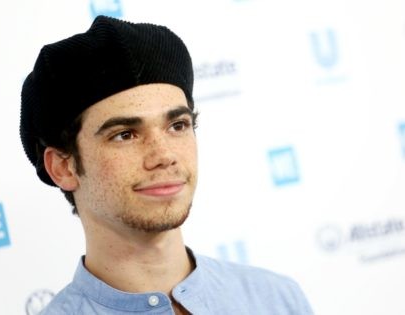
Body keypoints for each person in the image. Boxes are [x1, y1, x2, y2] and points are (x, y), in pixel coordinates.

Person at [20, 15, 314, 315]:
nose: (164, 155)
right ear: (63, 167)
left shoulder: (276, 299)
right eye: (125, 135)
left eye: (177, 125)